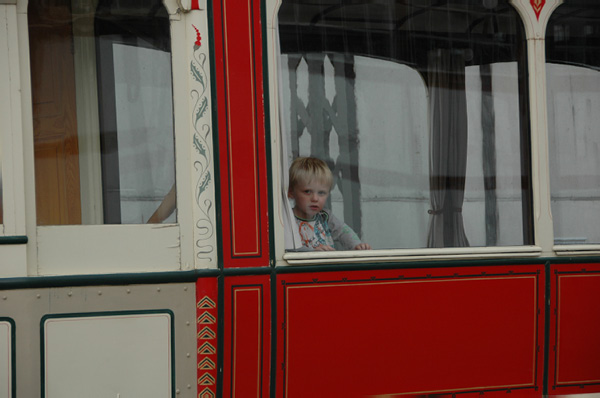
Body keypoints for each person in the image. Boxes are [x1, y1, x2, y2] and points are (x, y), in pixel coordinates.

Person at [288, 157, 371, 251]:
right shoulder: (287, 220)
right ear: (291, 192)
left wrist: (357, 245)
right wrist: (312, 253)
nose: (315, 198)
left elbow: (344, 231)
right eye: (307, 191)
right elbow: (287, 248)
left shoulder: (325, 217)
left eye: (321, 193)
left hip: (328, 265)